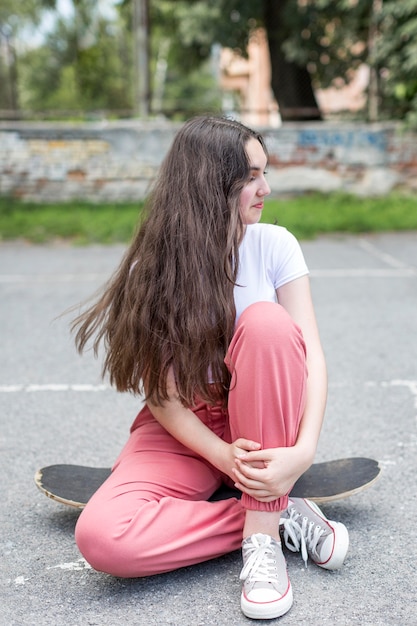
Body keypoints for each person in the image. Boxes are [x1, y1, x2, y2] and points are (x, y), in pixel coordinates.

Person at [71, 115, 349, 620]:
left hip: (262, 416)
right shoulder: (153, 269)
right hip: (183, 428)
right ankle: (273, 513)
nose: (265, 188)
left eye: (265, 173)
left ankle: (262, 542)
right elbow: (163, 396)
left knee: (267, 324)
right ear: (210, 182)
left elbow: (312, 354)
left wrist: (303, 452)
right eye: (251, 177)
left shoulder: (275, 245)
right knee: (101, 538)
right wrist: (225, 457)